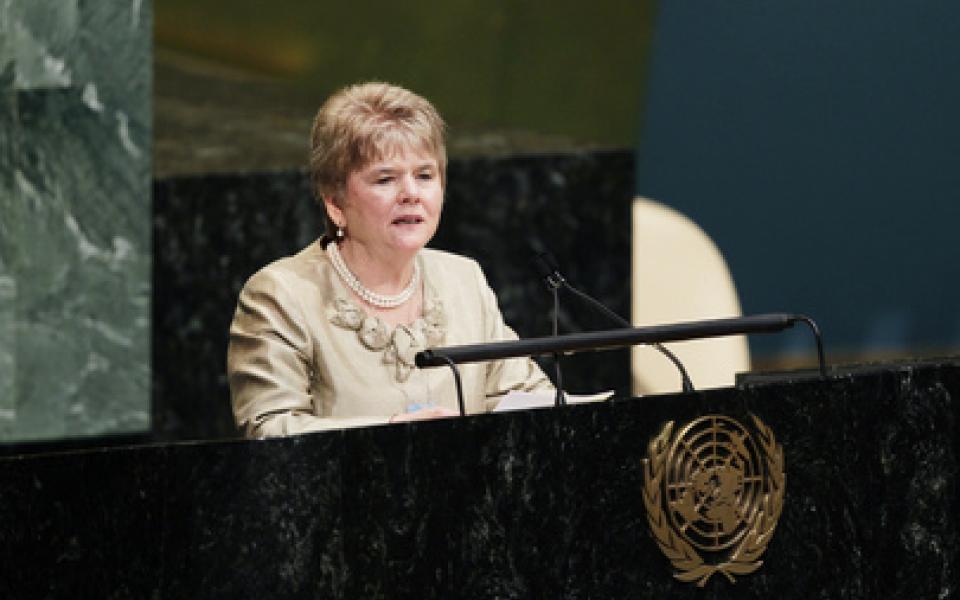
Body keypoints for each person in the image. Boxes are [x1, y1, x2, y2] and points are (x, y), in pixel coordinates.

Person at [227, 82, 552, 438]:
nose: (411, 194)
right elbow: (269, 429)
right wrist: (393, 435)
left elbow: (526, 396)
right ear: (335, 203)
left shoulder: (463, 278)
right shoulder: (282, 294)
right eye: (385, 179)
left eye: (425, 175)